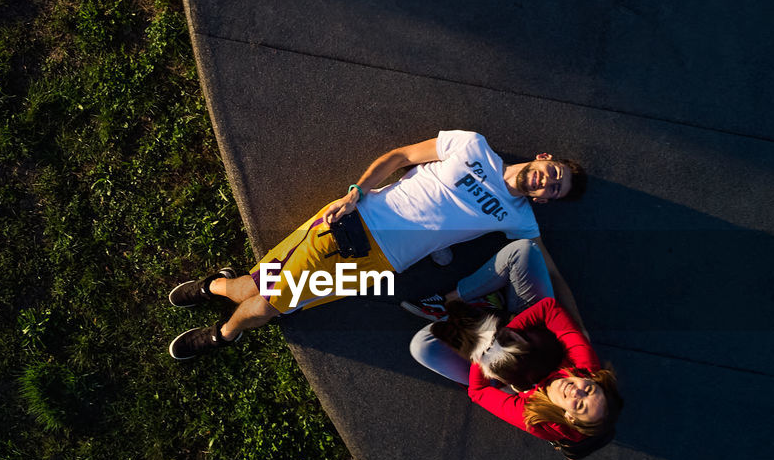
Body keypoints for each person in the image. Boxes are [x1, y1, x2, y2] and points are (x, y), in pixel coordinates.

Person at [167, 131, 585, 358]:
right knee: (270, 297)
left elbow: (547, 273)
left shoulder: (519, 217)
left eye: (555, 190)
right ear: (545, 157)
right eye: (554, 173)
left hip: (381, 264)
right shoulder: (472, 145)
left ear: (545, 201)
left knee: (268, 292)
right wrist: (355, 192)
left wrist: (578, 339)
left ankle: (216, 288)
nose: (548, 182)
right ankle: (224, 332)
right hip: (351, 221)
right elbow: (401, 156)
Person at [407, 239, 622, 459]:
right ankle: (457, 299)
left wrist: (482, 351)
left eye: (579, 404)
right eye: (589, 390)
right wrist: (501, 333)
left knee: (422, 347)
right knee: (524, 250)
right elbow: (549, 310)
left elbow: (478, 392)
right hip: (529, 328)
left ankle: (482, 310)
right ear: (594, 382)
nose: (577, 391)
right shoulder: (586, 367)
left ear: (570, 417)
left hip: (495, 367)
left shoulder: (536, 419)